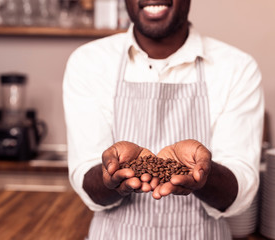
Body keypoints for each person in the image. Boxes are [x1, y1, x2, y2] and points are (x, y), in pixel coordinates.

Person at [63, 0, 264, 239]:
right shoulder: (88, 62)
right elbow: (86, 179)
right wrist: (112, 174)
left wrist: (204, 174)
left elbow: (240, 192)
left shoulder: (237, 68)